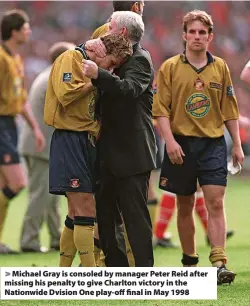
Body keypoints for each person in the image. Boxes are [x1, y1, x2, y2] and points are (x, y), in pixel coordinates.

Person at [152, 10, 244, 284]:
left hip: (213, 144)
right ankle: (189, 261)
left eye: (202, 32)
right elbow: (160, 111)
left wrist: (237, 144)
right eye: (192, 32)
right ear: (184, 36)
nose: (197, 37)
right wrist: (169, 142)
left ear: (210, 37)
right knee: (185, 204)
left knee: (215, 201)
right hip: (180, 144)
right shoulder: (169, 67)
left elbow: (229, 110)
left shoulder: (221, 68)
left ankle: (219, 262)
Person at [44, 33, 132, 267]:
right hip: (70, 137)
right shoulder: (71, 57)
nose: (110, 69)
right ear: (101, 52)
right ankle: (90, 271)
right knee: (85, 206)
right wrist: (95, 80)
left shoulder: (91, 66)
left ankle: (64, 271)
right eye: (111, 63)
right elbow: (65, 94)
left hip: (85, 138)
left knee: (75, 211)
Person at [83, 11, 157, 267]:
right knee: (105, 215)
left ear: (122, 32)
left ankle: (145, 273)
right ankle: (117, 271)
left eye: (110, 26)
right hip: (106, 150)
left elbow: (129, 89)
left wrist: (98, 74)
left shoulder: (140, 59)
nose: (105, 29)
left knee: (135, 216)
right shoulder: (107, 54)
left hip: (132, 152)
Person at [19, 42, 76, 253]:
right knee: (41, 196)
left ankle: (55, 238)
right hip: (42, 147)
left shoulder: (47, 74)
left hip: (39, 144)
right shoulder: (56, 77)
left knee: (50, 198)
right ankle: (29, 241)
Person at [0, 9, 45, 254]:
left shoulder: (15, 58)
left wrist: (35, 127)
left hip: (10, 124)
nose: (29, 31)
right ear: (14, 31)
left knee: (4, 186)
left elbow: (21, 99)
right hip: (1, 124)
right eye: (25, 27)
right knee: (18, 183)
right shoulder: (1, 58)